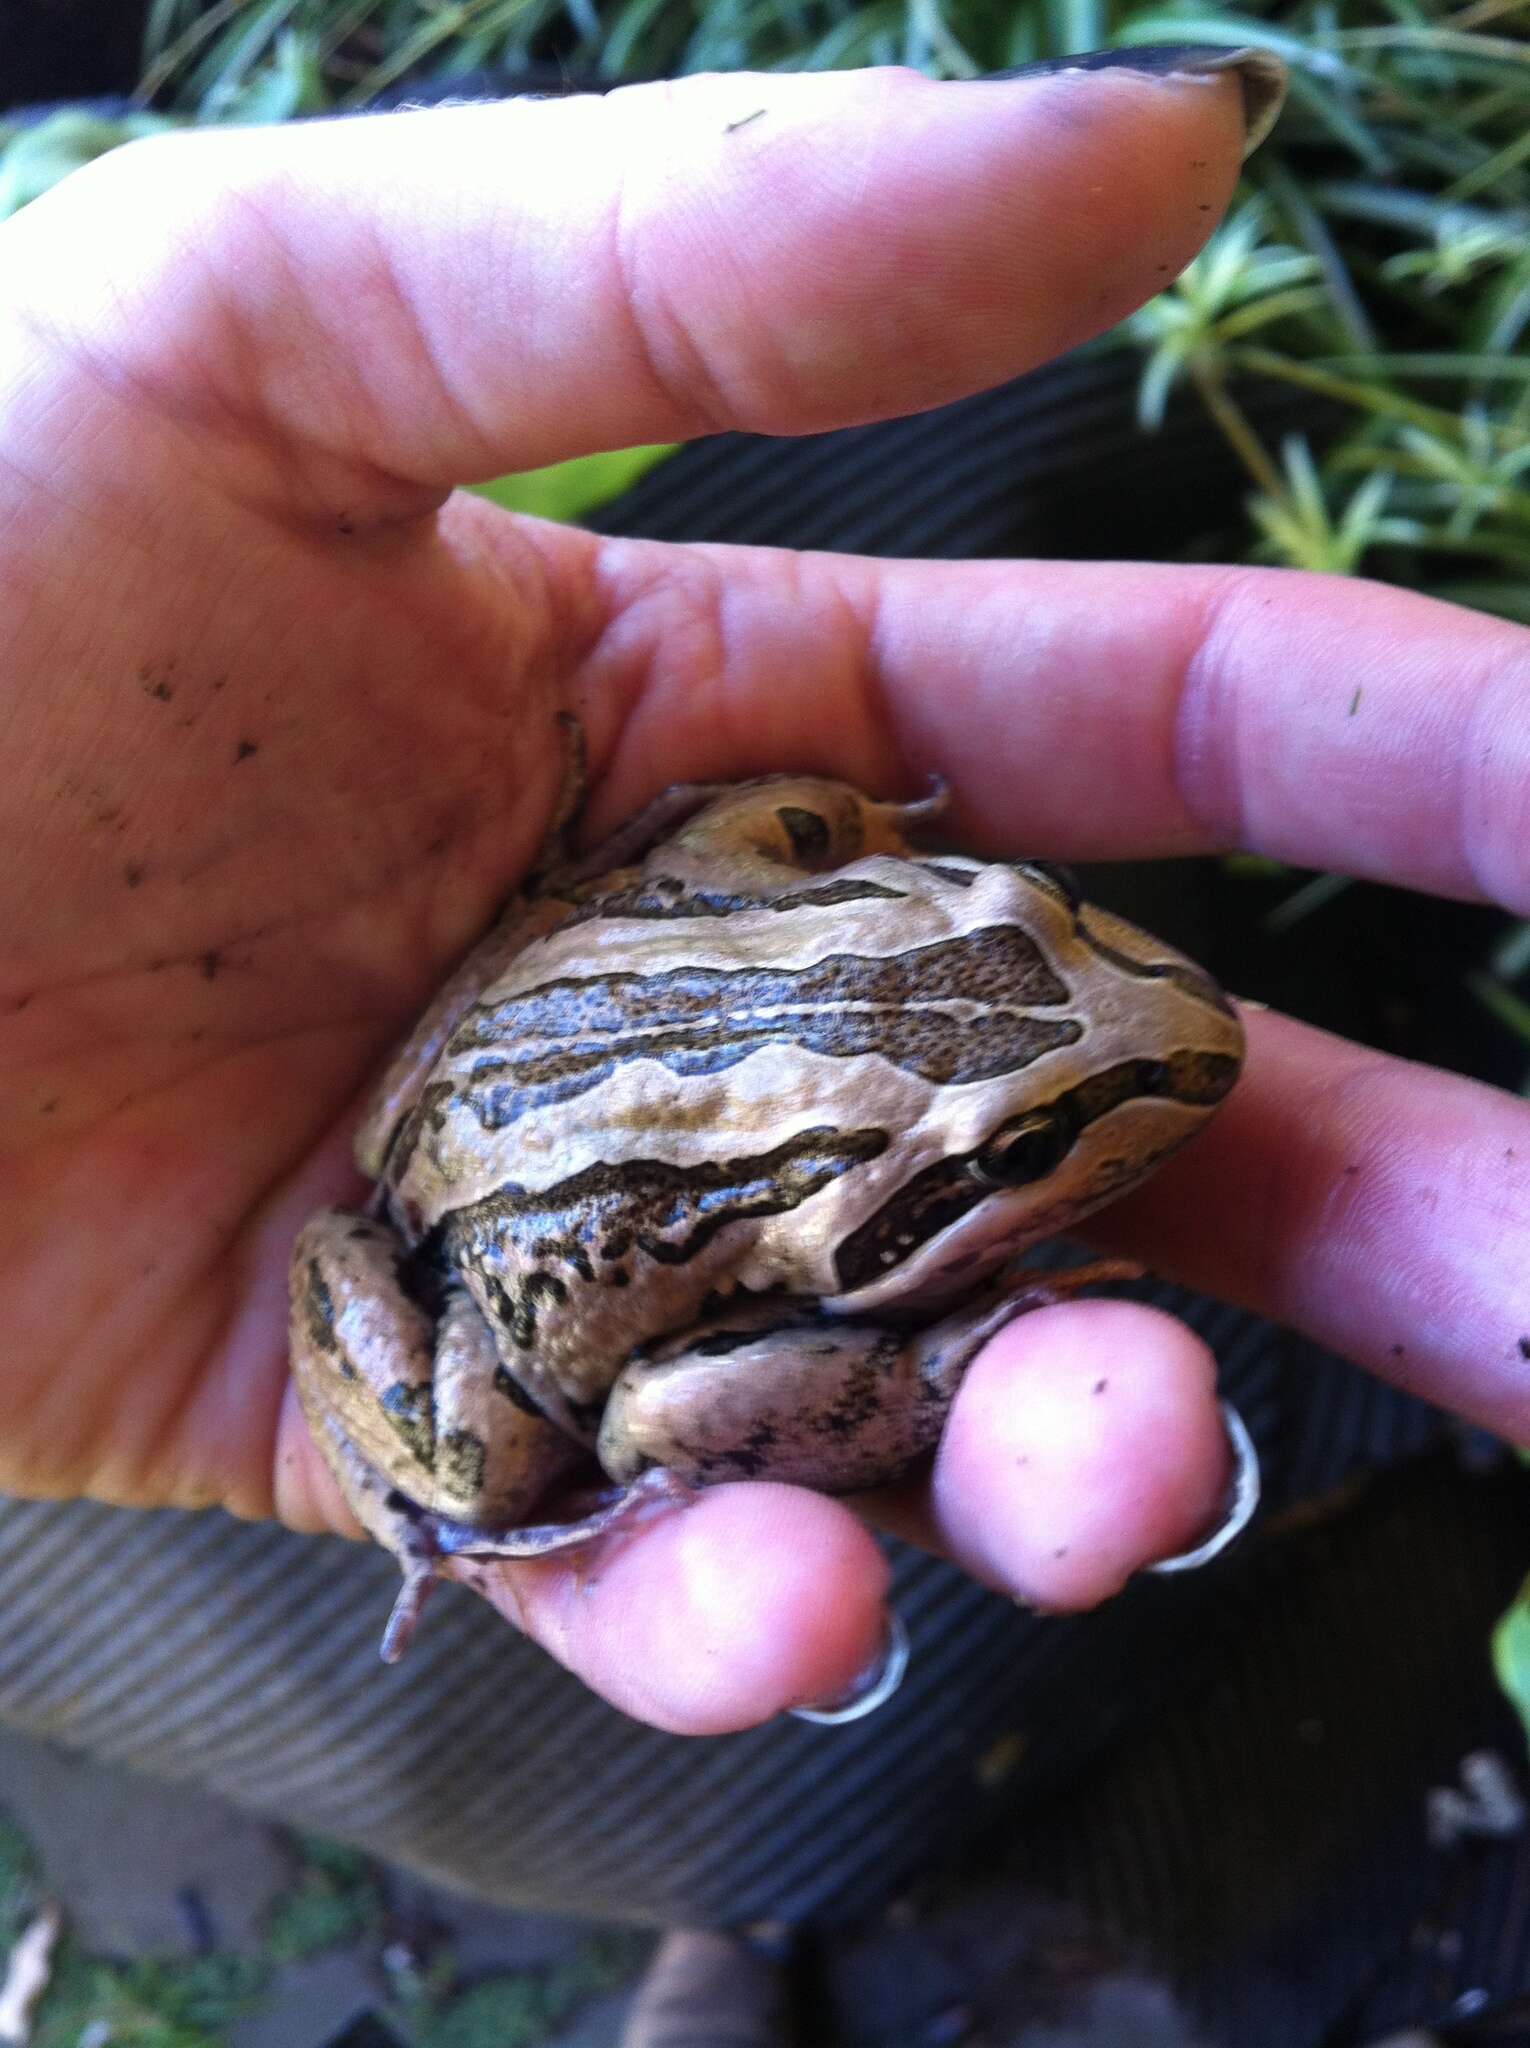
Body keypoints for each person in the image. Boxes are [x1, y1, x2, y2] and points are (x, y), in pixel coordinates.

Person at [2, 52, 1525, 1740]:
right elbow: (653, 1407)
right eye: (1015, 1151)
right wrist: (917, 1378)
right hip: (484, 1280)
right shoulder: (783, 1174)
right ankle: (457, 1531)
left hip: (518, 1053)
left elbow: (748, 857)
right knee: (489, 1465)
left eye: (1040, 914)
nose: (1164, 1007)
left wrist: (915, 1363)